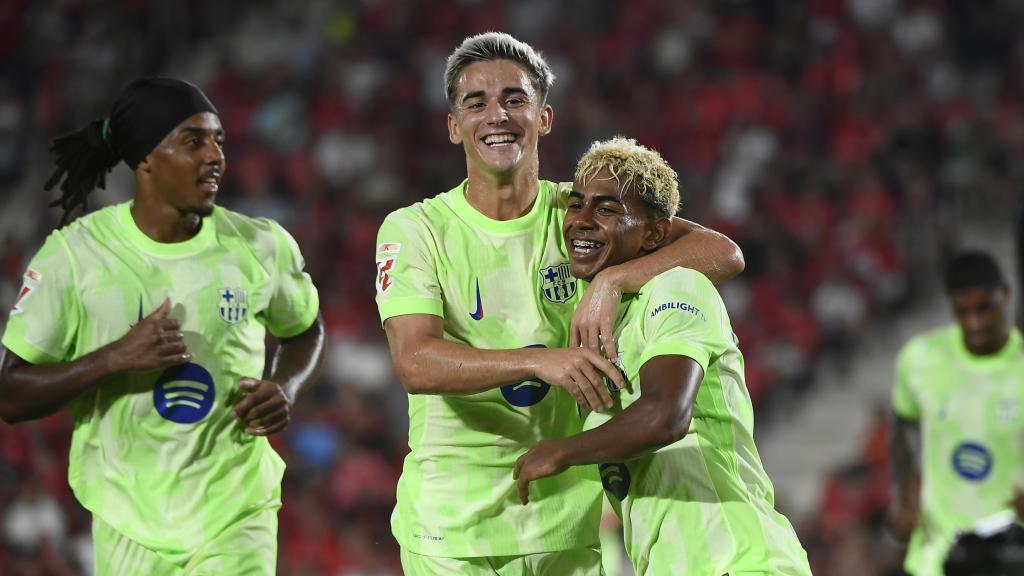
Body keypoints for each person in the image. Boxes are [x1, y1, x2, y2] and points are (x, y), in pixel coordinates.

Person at [375, 33, 744, 575]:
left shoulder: (581, 216)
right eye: (476, 103)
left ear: (543, 117)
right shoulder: (417, 229)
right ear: (455, 126)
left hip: (566, 525)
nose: (497, 114)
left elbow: (724, 252)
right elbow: (415, 361)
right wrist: (537, 359)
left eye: (514, 99)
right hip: (451, 533)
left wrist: (613, 282)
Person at [0, 77, 326, 575]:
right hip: (129, 521)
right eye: (194, 141)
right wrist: (115, 358)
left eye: (219, 140)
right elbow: (11, 395)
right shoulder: (75, 256)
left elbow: (305, 329)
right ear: (146, 158)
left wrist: (286, 385)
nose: (214, 155)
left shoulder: (262, 246)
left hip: (234, 511)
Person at [514, 137, 812, 576]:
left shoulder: (677, 288)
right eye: (576, 205)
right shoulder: (602, 318)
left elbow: (665, 416)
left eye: (607, 209)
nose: (581, 221)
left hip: (738, 561)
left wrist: (561, 452)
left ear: (654, 233)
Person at [890, 251, 1024, 576]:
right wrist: (904, 499)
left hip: (1012, 548)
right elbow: (903, 427)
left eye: (984, 308)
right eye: (962, 312)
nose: (974, 322)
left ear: (1004, 295)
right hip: (936, 551)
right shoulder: (920, 358)